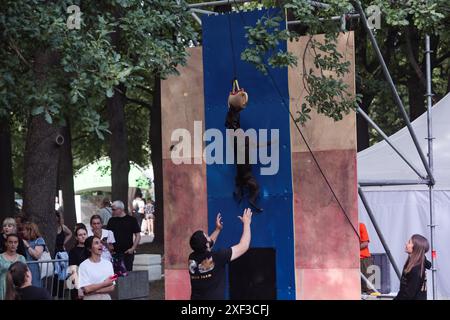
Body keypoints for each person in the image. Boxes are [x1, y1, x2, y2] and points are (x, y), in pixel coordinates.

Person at [188, 208, 252, 300]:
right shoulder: (218, 257)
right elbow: (244, 246)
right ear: (206, 243)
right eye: (206, 236)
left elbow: (208, 245)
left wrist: (217, 229)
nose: (208, 236)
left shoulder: (192, 258)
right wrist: (247, 223)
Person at [394, 234, 431, 300]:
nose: (406, 244)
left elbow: (409, 294)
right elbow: (404, 291)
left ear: (415, 247)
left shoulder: (416, 268)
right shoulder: (413, 263)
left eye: (409, 242)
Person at [78, 236, 115, 300]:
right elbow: (87, 289)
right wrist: (105, 283)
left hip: (106, 297)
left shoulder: (109, 264)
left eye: (100, 242)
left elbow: (112, 287)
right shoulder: (83, 265)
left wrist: (94, 291)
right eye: (96, 243)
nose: (100, 245)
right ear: (89, 249)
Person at [107, 200, 141, 272]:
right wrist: (110, 247)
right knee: (116, 274)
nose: (112, 211)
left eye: (114, 209)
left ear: (121, 209)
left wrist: (133, 248)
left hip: (128, 252)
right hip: (115, 253)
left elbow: (137, 235)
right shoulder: (111, 220)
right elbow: (108, 235)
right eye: (111, 209)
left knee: (128, 273)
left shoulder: (131, 220)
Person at [0, 234, 26, 299]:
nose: (13, 244)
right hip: (3, 287)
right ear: (6, 243)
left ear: (18, 244)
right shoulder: (0, 257)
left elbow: (26, 274)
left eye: (15, 242)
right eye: (10, 242)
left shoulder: (21, 258)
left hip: (18, 288)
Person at [22, 222, 46, 287]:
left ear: (30, 230)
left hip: (35, 269)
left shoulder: (39, 240)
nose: (22, 232)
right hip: (25, 268)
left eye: (24, 230)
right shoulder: (26, 241)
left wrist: (27, 245)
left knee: (35, 287)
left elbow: (37, 255)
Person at [68, 224, 88, 300]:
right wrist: (78, 288)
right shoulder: (73, 251)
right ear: (76, 237)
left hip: (90, 284)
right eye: (80, 235)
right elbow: (73, 271)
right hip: (78, 283)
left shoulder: (91, 249)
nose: (83, 236)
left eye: (84, 234)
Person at [359, 222, 374, 294]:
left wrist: (352, 249)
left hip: (363, 259)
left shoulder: (360, 225)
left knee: (369, 288)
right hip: (351, 260)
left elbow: (365, 243)